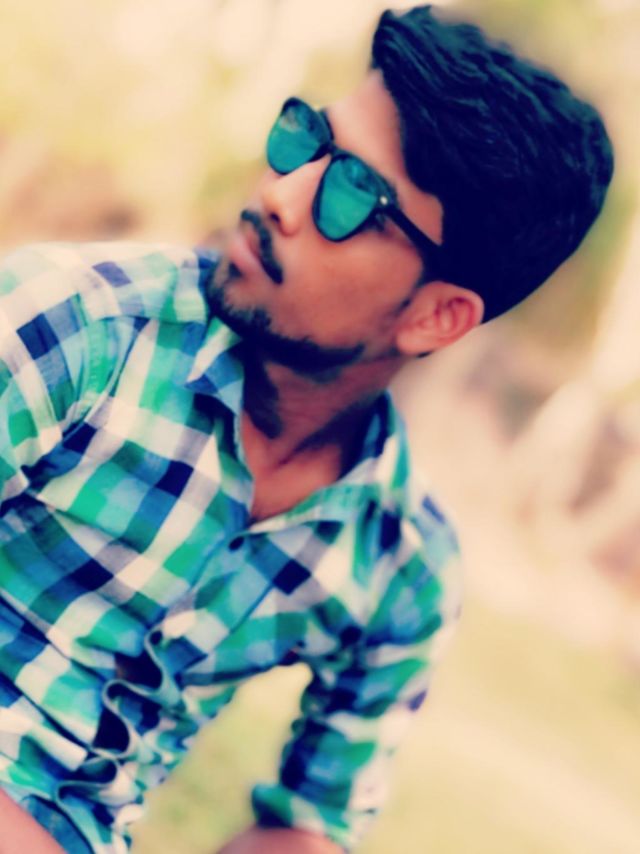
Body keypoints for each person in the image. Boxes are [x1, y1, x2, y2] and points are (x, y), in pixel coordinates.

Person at [0, 4, 613, 853]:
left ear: (436, 316)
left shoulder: (400, 568)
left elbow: (311, 825)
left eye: (352, 194)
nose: (278, 194)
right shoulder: (77, 327)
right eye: (304, 140)